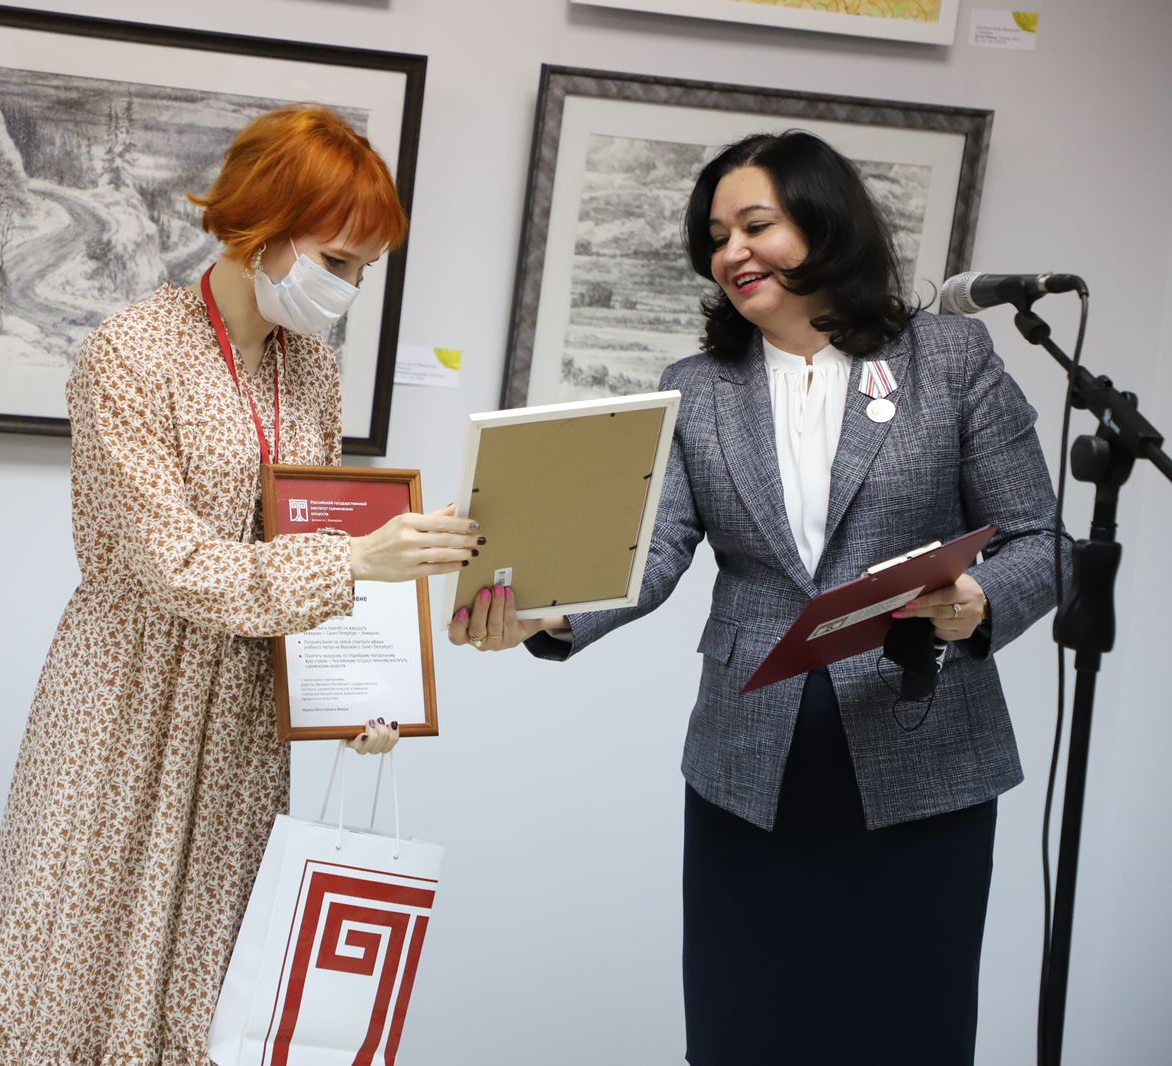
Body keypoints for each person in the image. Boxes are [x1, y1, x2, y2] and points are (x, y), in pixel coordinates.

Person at [451, 130, 1066, 1065]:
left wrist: (977, 599)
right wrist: (553, 614)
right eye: (716, 237)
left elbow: (1042, 539)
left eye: (755, 225)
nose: (731, 251)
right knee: (745, 1031)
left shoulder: (949, 358)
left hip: (925, 756)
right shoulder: (696, 389)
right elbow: (655, 545)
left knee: (909, 1032)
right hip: (749, 769)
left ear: (825, 221)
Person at [0, 106, 482, 1066]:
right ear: (261, 224)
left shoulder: (312, 373)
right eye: (338, 259)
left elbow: (312, 533)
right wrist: (356, 563)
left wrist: (357, 697)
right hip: (124, 708)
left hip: (241, 729)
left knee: (207, 1000)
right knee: (64, 986)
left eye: (364, 269)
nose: (349, 287)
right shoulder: (129, 353)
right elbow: (176, 564)